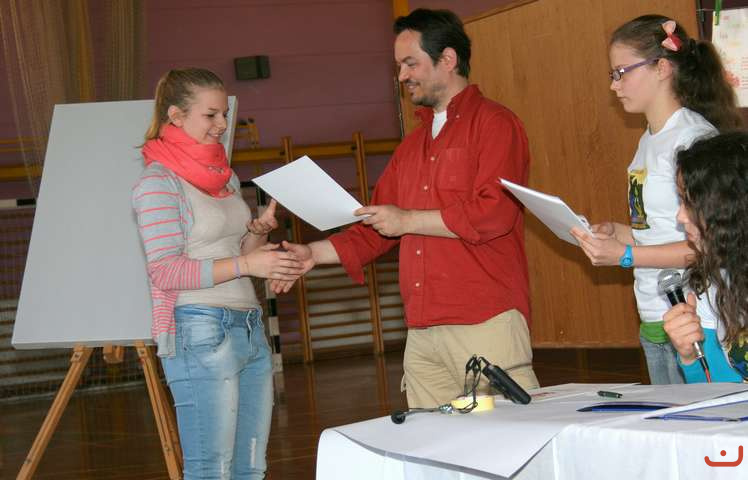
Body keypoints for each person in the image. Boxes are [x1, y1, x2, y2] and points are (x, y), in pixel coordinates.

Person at [277, 8, 539, 408]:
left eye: (410, 63)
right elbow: (376, 226)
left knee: (509, 438)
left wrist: (408, 220)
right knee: (430, 441)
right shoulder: (411, 146)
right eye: (399, 66)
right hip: (421, 332)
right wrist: (311, 254)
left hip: (485, 320)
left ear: (447, 59)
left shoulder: (496, 124)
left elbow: (494, 214)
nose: (402, 76)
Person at [132, 68, 302, 479]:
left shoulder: (225, 177)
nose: (223, 124)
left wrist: (256, 235)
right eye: (211, 115)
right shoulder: (157, 183)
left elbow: (236, 259)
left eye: (224, 114)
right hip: (200, 328)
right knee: (211, 468)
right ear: (176, 116)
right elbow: (166, 271)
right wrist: (247, 264)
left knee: (251, 467)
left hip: (248, 325)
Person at [570, 15, 743, 384]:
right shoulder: (649, 140)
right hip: (654, 310)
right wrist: (619, 233)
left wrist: (626, 255)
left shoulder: (691, 139)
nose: (614, 85)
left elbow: (713, 244)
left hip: (696, 314)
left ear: (662, 68)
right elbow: (659, 228)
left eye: (621, 72)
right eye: (612, 74)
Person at [663, 132, 748, 383]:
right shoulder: (711, 279)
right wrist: (690, 355)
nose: (680, 216)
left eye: (690, 202)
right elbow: (717, 388)